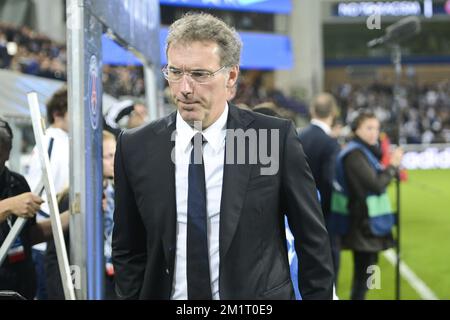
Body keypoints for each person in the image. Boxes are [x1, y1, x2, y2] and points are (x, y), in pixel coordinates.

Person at [112, 13, 334, 300]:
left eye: (199, 74)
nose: (184, 88)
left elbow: (312, 242)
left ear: (231, 77)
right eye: (175, 72)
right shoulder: (136, 146)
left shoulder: (271, 139)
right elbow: (128, 248)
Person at [330, 110, 403, 300]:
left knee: (370, 275)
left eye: (377, 128)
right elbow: (376, 185)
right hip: (363, 226)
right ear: (356, 129)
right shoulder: (354, 154)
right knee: (364, 277)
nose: (374, 133)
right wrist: (393, 165)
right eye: (369, 128)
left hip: (369, 225)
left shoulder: (363, 151)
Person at [0, 118, 68, 299]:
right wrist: (8, 207)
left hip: (19, 286)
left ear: (7, 152)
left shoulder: (17, 183)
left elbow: (28, 235)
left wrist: (71, 218)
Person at [25, 86, 69, 300]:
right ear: (58, 113)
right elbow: (38, 191)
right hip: (46, 244)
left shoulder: (65, 141)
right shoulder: (50, 141)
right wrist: (52, 227)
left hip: (58, 239)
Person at [298, 93, 341, 282]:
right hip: (324, 215)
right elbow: (329, 181)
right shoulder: (330, 143)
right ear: (333, 112)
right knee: (327, 267)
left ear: (312, 111)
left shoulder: (297, 136)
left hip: (298, 212)